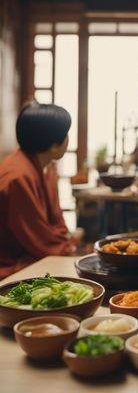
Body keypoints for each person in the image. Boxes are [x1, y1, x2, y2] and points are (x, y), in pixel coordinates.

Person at [0, 102, 77, 279]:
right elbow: (38, 239)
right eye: (66, 134)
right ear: (53, 145)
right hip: (11, 263)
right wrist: (69, 247)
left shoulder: (46, 167)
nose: (68, 139)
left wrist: (67, 241)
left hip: (31, 251)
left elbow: (56, 219)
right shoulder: (17, 177)